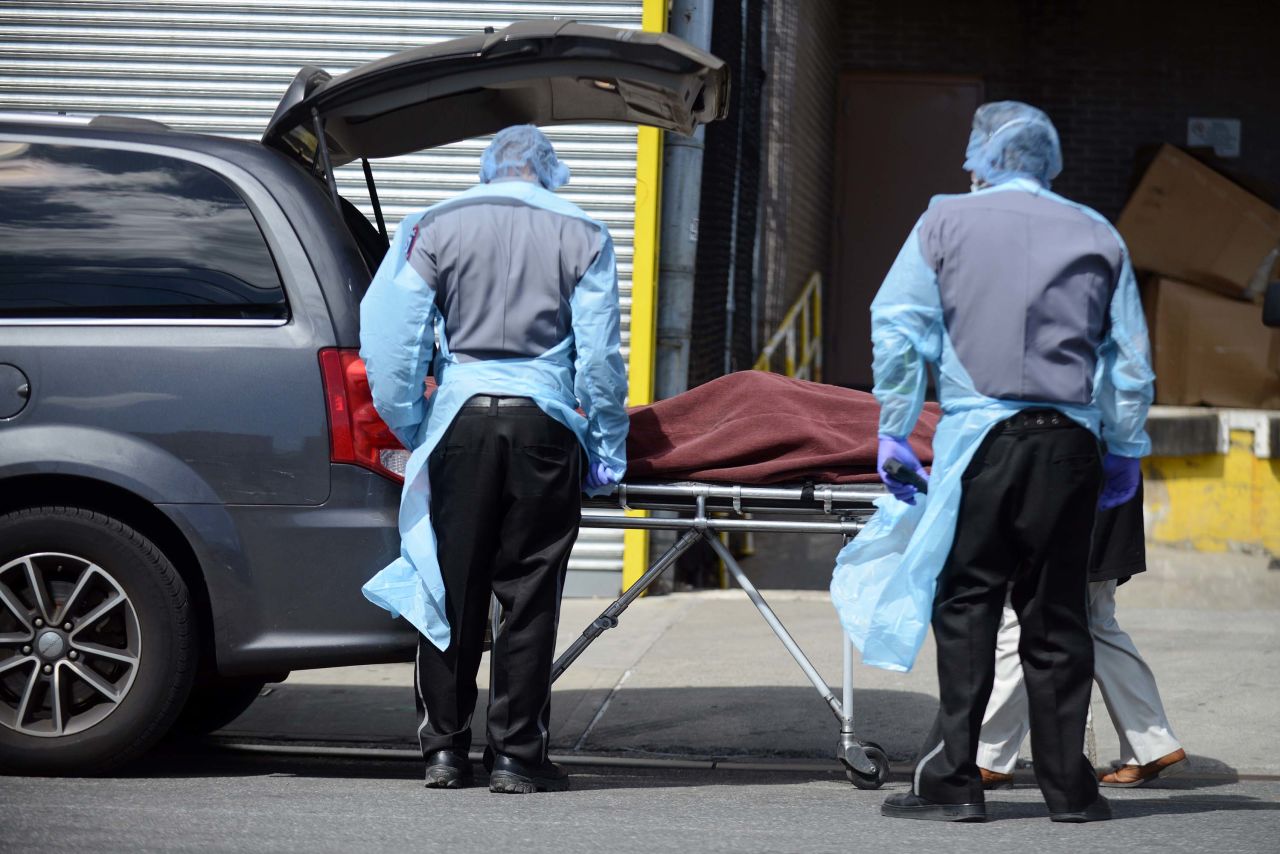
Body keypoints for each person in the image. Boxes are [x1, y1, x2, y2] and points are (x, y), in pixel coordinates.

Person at [863, 101, 1155, 823]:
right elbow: (1131, 365)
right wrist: (1124, 448)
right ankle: (1071, 794)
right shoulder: (1099, 233)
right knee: (1058, 618)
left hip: (982, 444)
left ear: (983, 157)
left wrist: (895, 429)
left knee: (968, 609)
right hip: (1070, 448)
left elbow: (898, 328)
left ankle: (954, 787)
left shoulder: (942, 221)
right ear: (1048, 161)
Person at [358, 125, 628, 794]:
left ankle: (444, 751)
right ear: (549, 171)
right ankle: (516, 756)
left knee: (450, 587)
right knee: (529, 596)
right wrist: (608, 450)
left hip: (458, 421)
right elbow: (598, 360)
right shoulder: (586, 233)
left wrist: (411, 421)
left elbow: (393, 343)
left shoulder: (434, 225)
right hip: (544, 423)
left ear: (487, 169)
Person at [978, 481, 1186, 790]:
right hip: (1101, 489)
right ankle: (1153, 743)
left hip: (1067, 492)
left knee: (1024, 620)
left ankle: (988, 757)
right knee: (1096, 625)